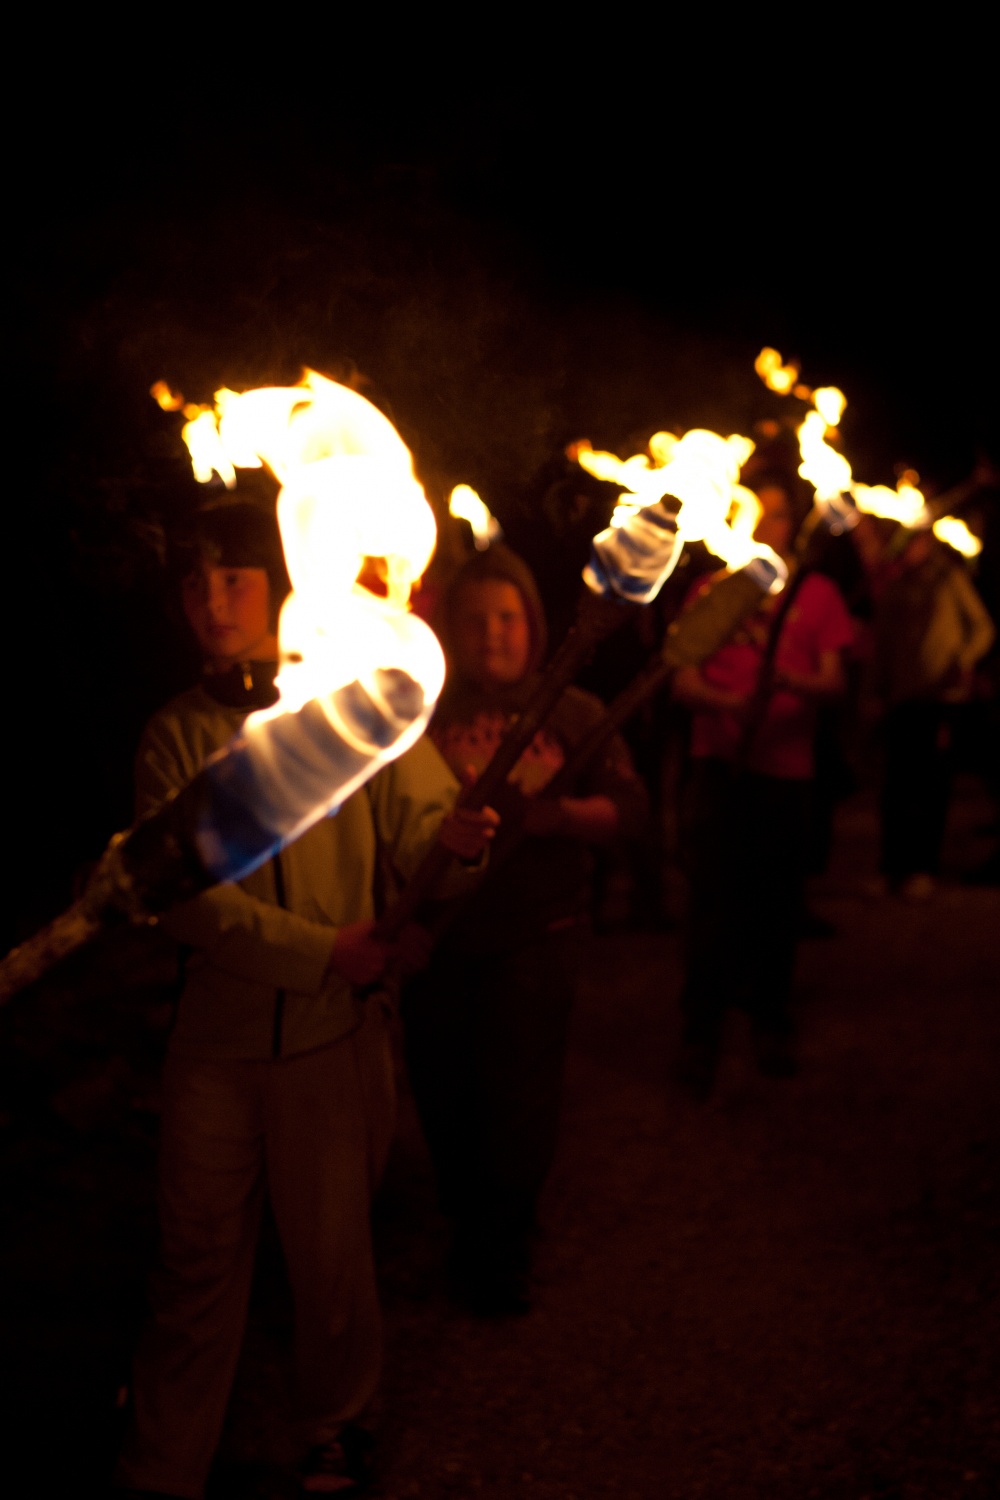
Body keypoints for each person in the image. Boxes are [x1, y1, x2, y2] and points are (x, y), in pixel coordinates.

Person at [114, 502, 496, 1500]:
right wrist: (328, 947)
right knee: (191, 1270)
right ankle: (163, 1463)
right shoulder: (174, 734)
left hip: (331, 1041)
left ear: (279, 586)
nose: (211, 603)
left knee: (330, 1263)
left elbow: (424, 838)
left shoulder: (353, 706)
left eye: (233, 579)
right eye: (193, 585)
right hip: (216, 1045)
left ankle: (337, 1425)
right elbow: (186, 902)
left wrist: (460, 848)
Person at [401, 545, 646, 1315]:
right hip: (440, 940)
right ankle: (466, 1216)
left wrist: (559, 816)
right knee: (444, 1090)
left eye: (507, 617)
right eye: (474, 621)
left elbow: (629, 813)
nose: (492, 634)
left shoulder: (570, 711)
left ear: (534, 626)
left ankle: (501, 1248)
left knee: (518, 1094)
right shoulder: (423, 719)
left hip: (540, 933)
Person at [673, 482, 855, 1096]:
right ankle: (700, 1030)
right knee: (711, 902)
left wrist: (785, 682)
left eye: (778, 514)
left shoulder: (817, 593)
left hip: (787, 772)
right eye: (758, 512)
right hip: (720, 768)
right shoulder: (711, 592)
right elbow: (683, 681)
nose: (765, 524)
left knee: (777, 903)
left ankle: (772, 1019)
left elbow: (834, 684)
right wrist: (730, 701)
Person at [870, 528, 995, 897]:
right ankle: (891, 866)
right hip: (902, 698)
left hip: (941, 698)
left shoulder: (948, 580)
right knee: (895, 785)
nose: (912, 549)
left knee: (931, 784)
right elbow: (883, 643)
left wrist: (963, 660)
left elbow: (982, 627)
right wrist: (874, 690)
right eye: (906, 542)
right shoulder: (893, 585)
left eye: (918, 541)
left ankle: (923, 867)